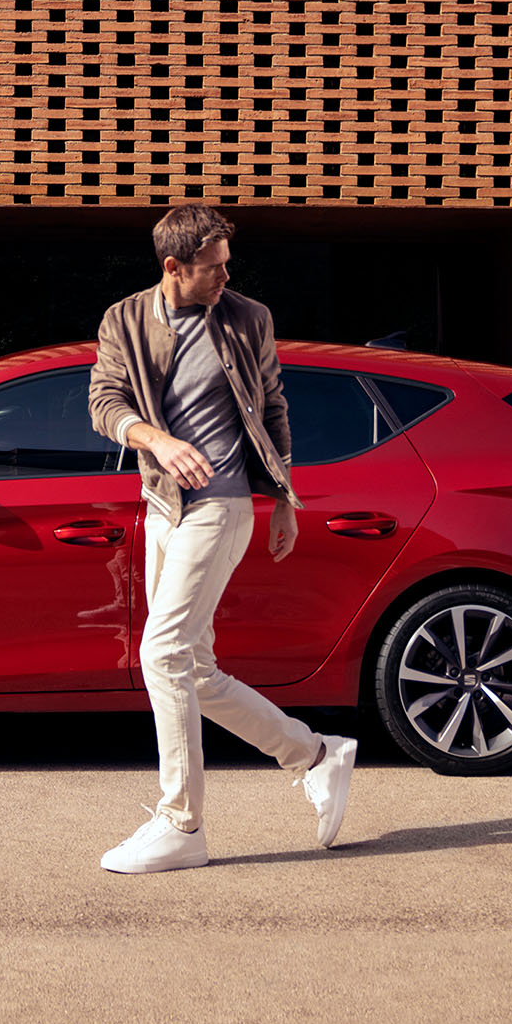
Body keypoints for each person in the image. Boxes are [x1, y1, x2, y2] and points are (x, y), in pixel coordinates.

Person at [88, 203, 356, 873]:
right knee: (192, 669)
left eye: (227, 263)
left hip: (225, 505)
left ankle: (182, 823)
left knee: (163, 654)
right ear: (173, 267)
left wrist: (286, 499)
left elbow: (271, 405)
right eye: (212, 267)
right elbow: (105, 402)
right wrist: (157, 439)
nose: (225, 276)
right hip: (163, 505)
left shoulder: (247, 317)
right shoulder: (123, 319)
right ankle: (316, 755)